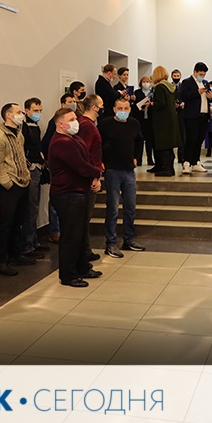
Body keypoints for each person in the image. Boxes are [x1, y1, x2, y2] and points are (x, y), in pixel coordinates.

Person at [48, 108, 103, 287]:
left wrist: (94, 176)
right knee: (71, 236)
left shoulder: (75, 138)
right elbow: (80, 166)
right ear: (61, 124)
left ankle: (82, 267)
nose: (76, 122)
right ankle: (68, 275)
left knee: (79, 234)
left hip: (79, 192)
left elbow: (88, 159)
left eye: (75, 118)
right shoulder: (61, 142)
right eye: (71, 119)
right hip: (67, 194)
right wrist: (97, 173)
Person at [99, 98, 146, 258]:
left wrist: (136, 157)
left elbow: (139, 140)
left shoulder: (134, 123)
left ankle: (129, 239)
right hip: (112, 170)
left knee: (130, 207)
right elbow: (98, 144)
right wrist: (101, 161)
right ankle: (111, 243)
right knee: (113, 208)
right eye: (120, 108)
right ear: (114, 109)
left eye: (126, 108)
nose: (123, 111)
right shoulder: (105, 124)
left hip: (129, 170)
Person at [0, 102, 33, 276]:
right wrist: (8, 183)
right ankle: (0, 260)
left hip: (23, 182)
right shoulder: (0, 137)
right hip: (11, 185)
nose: (21, 114)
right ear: (9, 115)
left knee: (18, 221)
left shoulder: (19, 134)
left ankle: (16, 253)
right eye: (18, 112)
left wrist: (26, 176)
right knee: (6, 223)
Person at [42, 93, 78, 244]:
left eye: (74, 101)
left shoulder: (75, 126)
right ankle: (55, 231)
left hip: (71, 175)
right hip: (58, 169)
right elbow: (46, 143)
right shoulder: (55, 124)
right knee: (55, 202)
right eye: (70, 102)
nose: (73, 103)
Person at [18, 97, 50, 260]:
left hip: (37, 168)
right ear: (27, 111)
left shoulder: (35, 126)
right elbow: (22, 151)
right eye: (35, 110)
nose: (38, 113)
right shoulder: (24, 128)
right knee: (30, 209)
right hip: (30, 170)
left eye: (40, 110)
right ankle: (27, 245)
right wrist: (30, 166)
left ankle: (33, 240)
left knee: (35, 207)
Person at [76, 94, 105, 263]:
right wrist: (95, 175)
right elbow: (85, 153)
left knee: (85, 217)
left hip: (92, 171)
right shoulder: (86, 125)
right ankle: (83, 252)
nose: (102, 108)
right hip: (88, 177)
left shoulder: (88, 124)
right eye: (101, 105)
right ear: (94, 107)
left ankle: (85, 250)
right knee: (84, 217)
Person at [180, 62, 212, 174]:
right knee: (191, 139)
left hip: (204, 114)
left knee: (200, 139)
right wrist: (197, 92)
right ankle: (186, 162)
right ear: (195, 72)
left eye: (204, 74)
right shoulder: (187, 82)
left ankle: (196, 162)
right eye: (200, 74)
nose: (202, 76)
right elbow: (183, 96)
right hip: (191, 116)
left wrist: (211, 97)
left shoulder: (205, 83)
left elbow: (208, 98)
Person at [150, 66, 182, 177]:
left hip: (162, 120)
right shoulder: (170, 86)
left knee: (163, 145)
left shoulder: (160, 87)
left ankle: (166, 169)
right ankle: (170, 168)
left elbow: (161, 103)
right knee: (169, 146)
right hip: (171, 119)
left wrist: (152, 104)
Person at [132, 76, 155, 166]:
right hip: (140, 119)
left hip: (149, 119)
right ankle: (139, 159)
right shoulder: (137, 92)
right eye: (144, 81)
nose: (146, 83)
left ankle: (150, 159)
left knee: (149, 140)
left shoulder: (152, 93)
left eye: (147, 81)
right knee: (140, 139)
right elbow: (134, 105)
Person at [171, 69, 187, 164]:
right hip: (172, 113)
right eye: (174, 76)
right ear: (171, 77)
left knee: (182, 135)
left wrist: (182, 103)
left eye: (178, 76)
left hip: (181, 113)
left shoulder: (183, 86)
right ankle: (171, 157)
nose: (176, 78)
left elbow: (185, 97)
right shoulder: (169, 87)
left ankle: (181, 156)